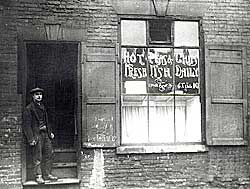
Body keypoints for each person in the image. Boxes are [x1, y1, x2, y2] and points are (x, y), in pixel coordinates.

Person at [23, 87, 58, 184]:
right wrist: (31, 139)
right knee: (37, 157)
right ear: (33, 96)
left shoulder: (43, 107)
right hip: (36, 135)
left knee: (49, 153)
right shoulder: (29, 109)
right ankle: (38, 176)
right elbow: (27, 125)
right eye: (37, 94)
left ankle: (47, 174)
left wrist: (50, 132)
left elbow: (47, 122)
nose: (39, 96)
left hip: (45, 135)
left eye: (40, 94)